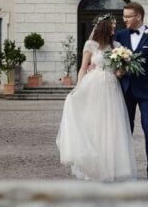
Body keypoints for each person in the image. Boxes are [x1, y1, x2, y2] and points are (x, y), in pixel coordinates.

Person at [56, 14, 136, 181]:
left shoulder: (117, 46)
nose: (114, 29)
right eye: (112, 26)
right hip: (94, 85)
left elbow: (119, 72)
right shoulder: (90, 45)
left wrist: (122, 69)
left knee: (112, 127)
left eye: (115, 26)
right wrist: (78, 88)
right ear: (104, 27)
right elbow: (83, 68)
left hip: (112, 87)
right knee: (95, 125)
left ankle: (113, 168)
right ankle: (93, 168)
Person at [114, 2, 148, 180]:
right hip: (125, 91)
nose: (125, 20)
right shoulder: (119, 36)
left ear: (139, 17)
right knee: (124, 130)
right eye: (124, 16)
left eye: (128, 16)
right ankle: (122, 169)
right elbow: (112, 61)